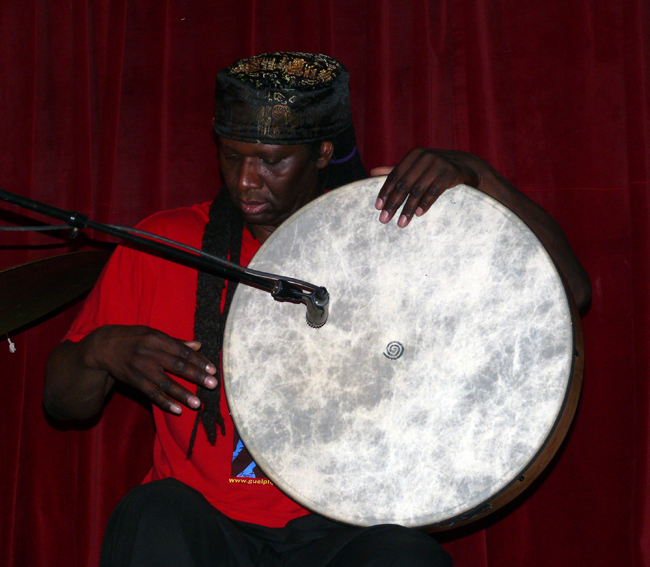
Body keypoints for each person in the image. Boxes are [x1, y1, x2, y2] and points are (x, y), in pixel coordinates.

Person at [43, 52, 591, 567]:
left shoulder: (390, 235)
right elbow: (63, 403)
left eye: (270, 161)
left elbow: (573, 293)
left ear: (323, 153)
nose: (245, 181)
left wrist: (481, 177)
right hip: (205, 525)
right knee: (151, 514)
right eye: (232, 156)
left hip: (341, 529)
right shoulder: (164, 244)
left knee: (406, 557)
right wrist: (99, 352)